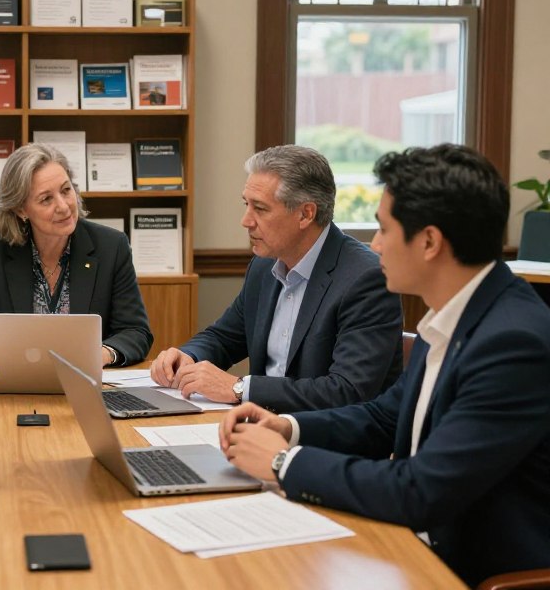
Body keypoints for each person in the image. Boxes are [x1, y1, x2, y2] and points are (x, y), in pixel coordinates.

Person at [219, 144, 550, 587]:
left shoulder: (511, 342)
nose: (374, 245)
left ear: (429, 242)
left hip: (468, 568)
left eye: (383, 229)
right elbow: (382, 415)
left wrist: (283, 463)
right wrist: (288, 428)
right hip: (412, 540)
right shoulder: (459, 313)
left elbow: (420, 490)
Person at [150, 145, 402, 411]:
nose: (246, 221)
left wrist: (240, 388)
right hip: (259, 426)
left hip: (324, 441)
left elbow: (346, 391)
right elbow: (224, 337)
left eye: (260, 208)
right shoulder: (264, 265)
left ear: (306, 214)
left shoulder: (366, 278)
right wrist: (187, 357)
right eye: (246, 205)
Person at [0, 142, 152, 367]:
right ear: (21, 209)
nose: (64, 206)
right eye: (46, 199)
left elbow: (136, 331)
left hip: (86, 384)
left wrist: (103, 354)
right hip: (13, 387)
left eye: (66, 190)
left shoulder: (111, 247)